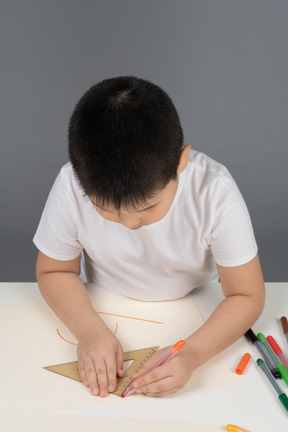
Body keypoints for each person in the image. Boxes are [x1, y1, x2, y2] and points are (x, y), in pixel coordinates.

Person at [33, 76, 265, 398]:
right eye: (106, 210)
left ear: (181, 162)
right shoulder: (71, 185)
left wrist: (192, 354)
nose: (128, 224)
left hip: (197, 305)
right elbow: (54, 270)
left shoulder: (214, 192)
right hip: (98, 303)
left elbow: (246, 295)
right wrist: (88, 331)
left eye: (147, 208)